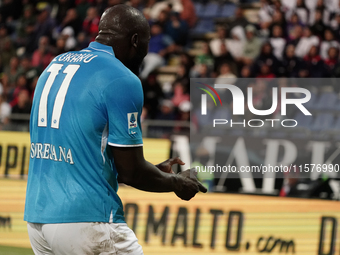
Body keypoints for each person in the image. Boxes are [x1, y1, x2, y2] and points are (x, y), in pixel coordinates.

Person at [24, 5, 206, 255]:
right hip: (89, 220)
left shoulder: (55, 65)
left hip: (38, 219)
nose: (145, 51)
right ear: (135, 41)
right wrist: (176, 183)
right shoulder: (121, 79)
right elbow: (131, 172)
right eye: (146, 43)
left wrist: (154, 170)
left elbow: (90, 161)